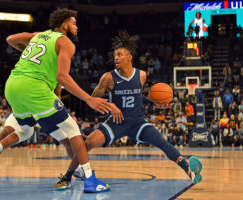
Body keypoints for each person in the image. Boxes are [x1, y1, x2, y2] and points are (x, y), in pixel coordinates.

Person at [0, 8, 111, 193]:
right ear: (65, 25)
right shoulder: (66, 42)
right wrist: (88, 99)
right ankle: (90, 180)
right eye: (74, 23)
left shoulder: (38, 35)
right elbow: (62, 76)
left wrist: (28, 50)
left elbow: (10, 39)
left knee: (26, 131)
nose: (77, 27)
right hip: (34, 88)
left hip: (12, 85)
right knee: (72, 129)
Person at [54, 31, 203, 190]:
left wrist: (154, 103)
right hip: (116, 123)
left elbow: (137, 96)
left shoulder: (142, 75)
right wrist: (110, 105)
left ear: (129, 57)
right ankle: (68, 176)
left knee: (161, 141)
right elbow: (93, 99)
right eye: (115, 55)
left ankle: (188, 169)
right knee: (88, 143)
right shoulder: (108, 78)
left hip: (138, 122)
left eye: (120, 54)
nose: (116, 58)